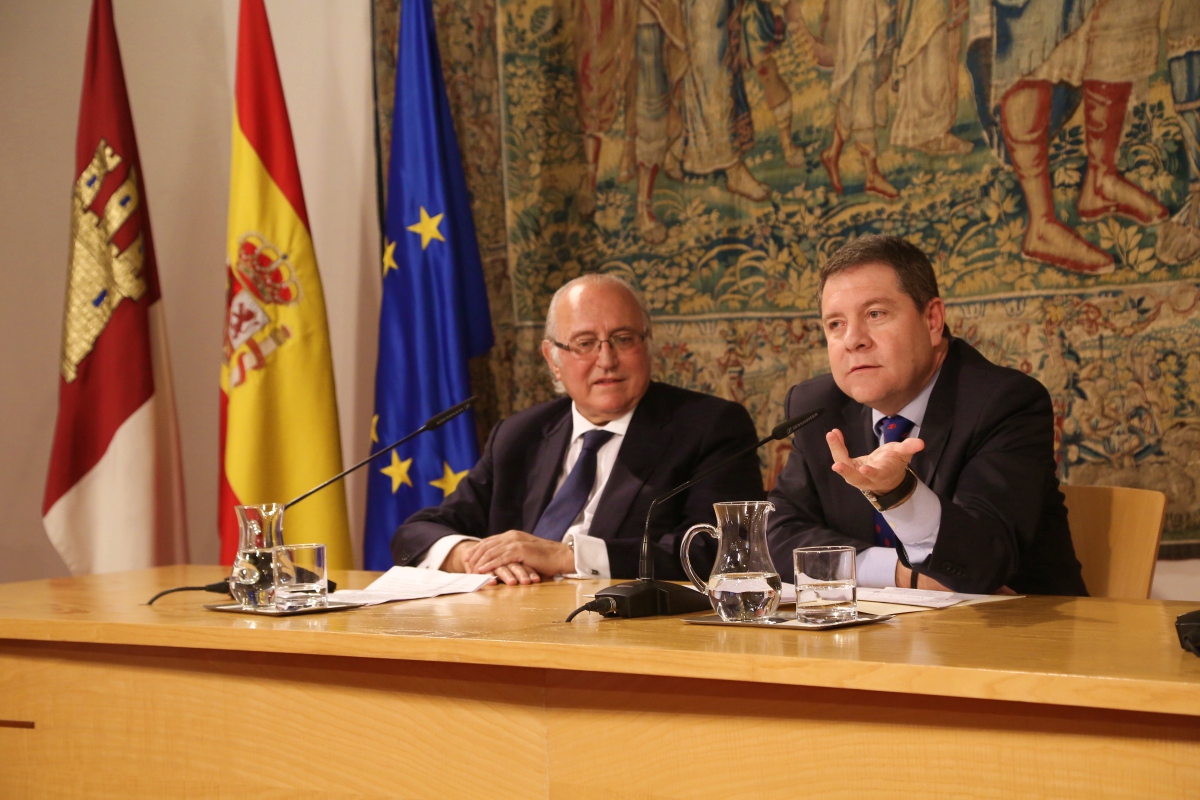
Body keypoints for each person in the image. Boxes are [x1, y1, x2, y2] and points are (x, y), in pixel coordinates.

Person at [391, 273, 766, 585]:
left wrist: (567, 557)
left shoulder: (709, 427)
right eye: (585, 344)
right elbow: (416, 532)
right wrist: (471, 555)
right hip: (510, 621)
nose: (607, 359)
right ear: (553, 359)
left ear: (647, 344)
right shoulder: (520, 435)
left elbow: (719, 552)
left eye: (623, 339)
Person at [767, 235, 1087, 595]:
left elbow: (985, 560)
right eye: (835, 324)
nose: (853, 340)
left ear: (932, 320)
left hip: (1021, 624)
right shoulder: (817, 407)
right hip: (875, 626)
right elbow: (777, 535)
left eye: (875, 314)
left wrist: (899, 494)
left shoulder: (1004, 403)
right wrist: (901, 575)